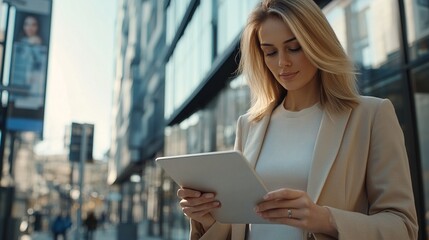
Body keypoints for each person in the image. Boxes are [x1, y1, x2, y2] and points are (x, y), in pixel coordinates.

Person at [177, 0, 418, 239]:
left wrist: (324, 219)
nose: (282, 62)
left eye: (294, 48)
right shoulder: (249, 125)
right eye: (270, 52)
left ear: (317, 43)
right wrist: (208, 219)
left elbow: (402, 227)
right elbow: (242, 228)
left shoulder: (370, 116)